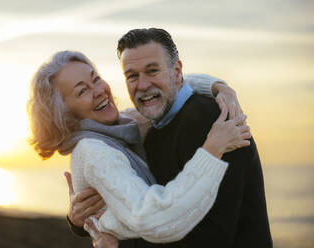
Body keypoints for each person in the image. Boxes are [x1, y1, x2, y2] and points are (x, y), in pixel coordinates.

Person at [68, 28, 273, 248]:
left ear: (176, 72)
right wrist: (80, 221)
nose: (143, 85)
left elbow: (209, 236)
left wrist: (118, 243)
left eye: (152, 71)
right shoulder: (149, 128)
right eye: (132, 76)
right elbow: (152, 210)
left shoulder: (210, 120)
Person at [27, 50, 251, 246]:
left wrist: (217, 87)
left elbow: (162, 87)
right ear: (65, 113)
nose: (98, 91)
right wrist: (212, 150)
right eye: (82, 91)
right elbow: (153, 218)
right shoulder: (94, 152)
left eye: (96, 79)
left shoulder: (121, 127)